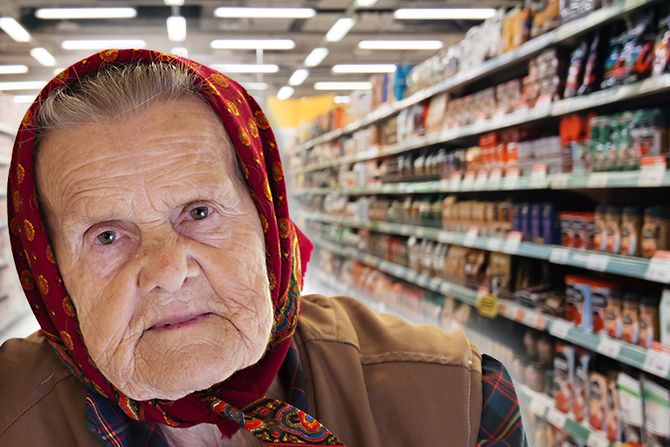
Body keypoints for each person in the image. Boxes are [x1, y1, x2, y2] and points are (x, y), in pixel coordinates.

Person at [0, 49, 526, 446]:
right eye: (107, 236)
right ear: (51, 274)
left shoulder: (459, 400)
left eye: (200, 212)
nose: (167, 271)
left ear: (269, 226)